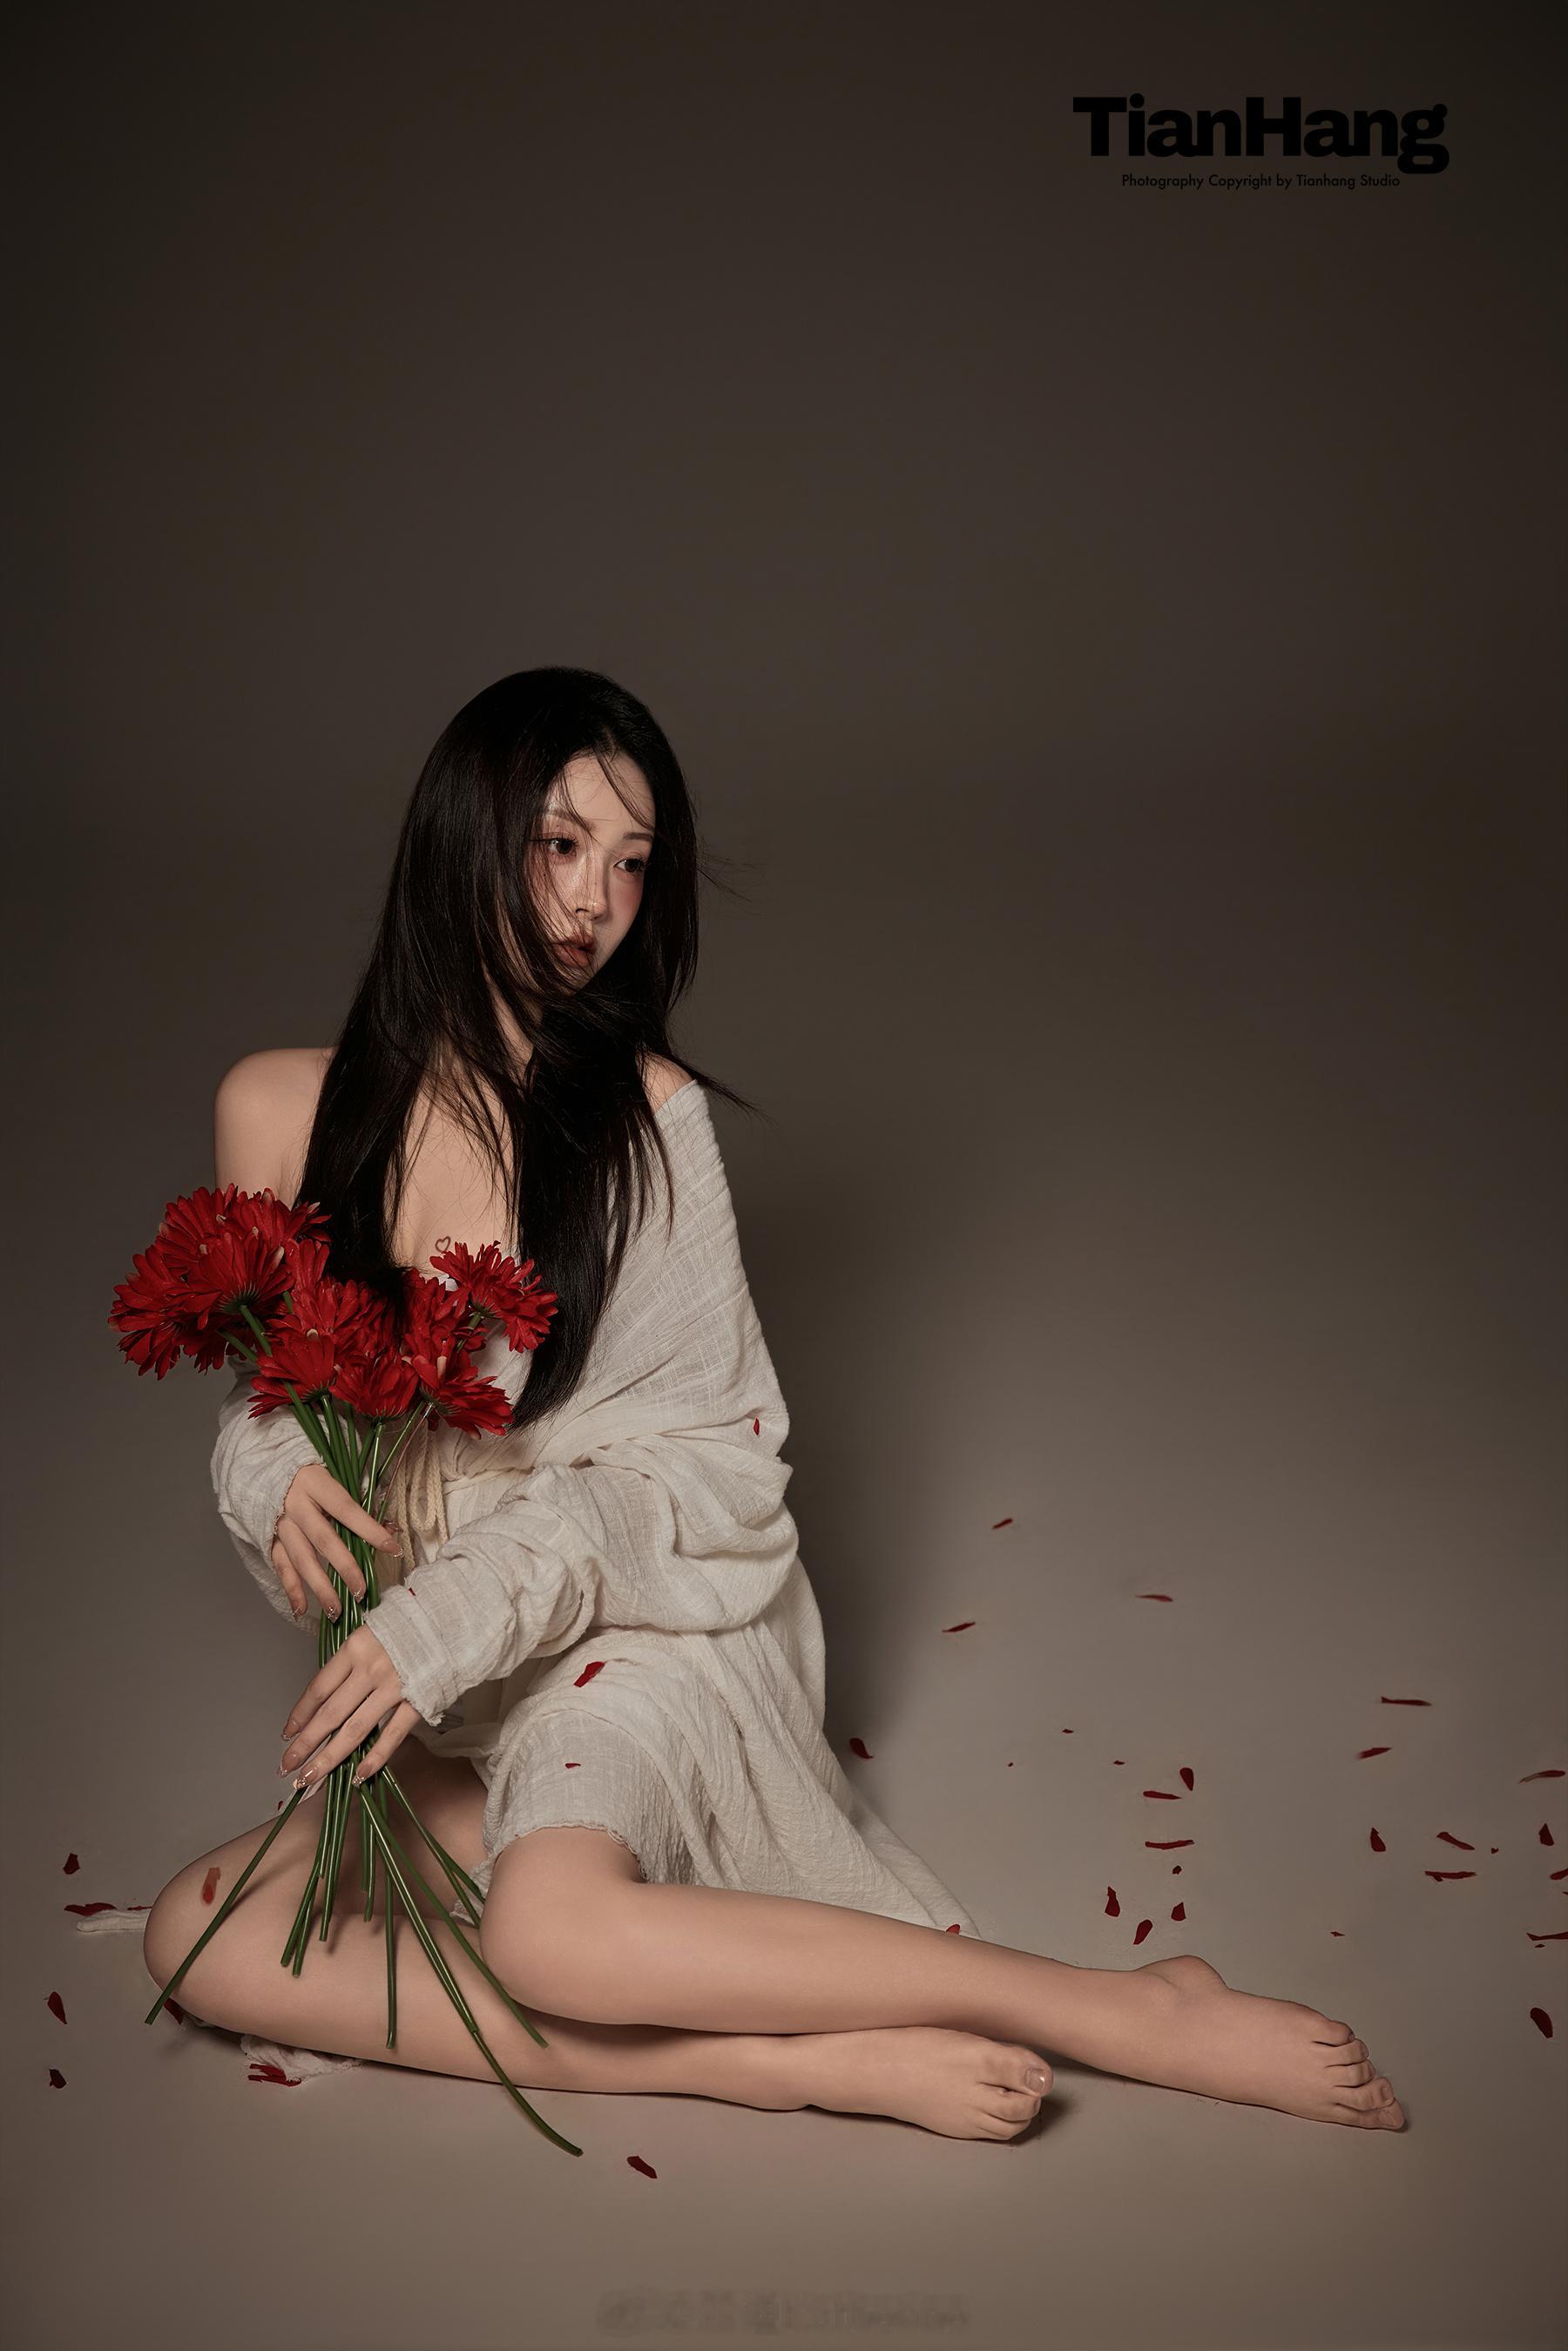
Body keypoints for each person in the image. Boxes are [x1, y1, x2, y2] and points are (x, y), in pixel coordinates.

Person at [143, 667, 1405, 2140]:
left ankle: (1119, 2007)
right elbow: (271, 1402)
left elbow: (705, 1474)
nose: (594, 902)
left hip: (641, 1628)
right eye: (560, 845)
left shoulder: (646, 1122)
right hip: (453, 1687)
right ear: (459, 838)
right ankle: (760, 2057)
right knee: (197, 1935)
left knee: (547, 1935)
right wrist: (275, 1484)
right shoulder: (279, 1108)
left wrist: (450, 1616)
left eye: (632, 864)